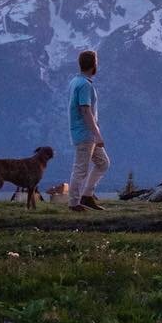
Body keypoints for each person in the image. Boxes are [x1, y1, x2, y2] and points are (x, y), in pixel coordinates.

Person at [68, 48, 108, 212]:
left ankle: (87, 195)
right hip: (86, 134)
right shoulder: (84, 85)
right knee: (80, 169)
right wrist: (97, 134)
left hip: (83, 133)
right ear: (94, 65)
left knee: (103, 163)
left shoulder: (75, 81)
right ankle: (74, 203)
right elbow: (85, 110)